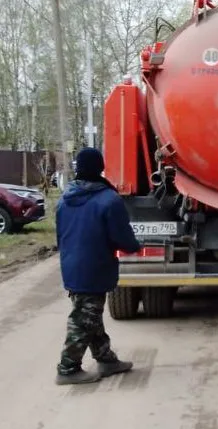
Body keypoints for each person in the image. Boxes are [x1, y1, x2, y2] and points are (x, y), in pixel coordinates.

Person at [55, 147, 142, 385]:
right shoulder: (108, 200)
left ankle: (106, 360)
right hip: (94, 267)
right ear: (100, 167)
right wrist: (135, 245)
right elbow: (123, 239)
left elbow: (59, 236)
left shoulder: (65, 198)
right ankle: (67, 368)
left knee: (90, 314)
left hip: (72, 265)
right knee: (83, 320)